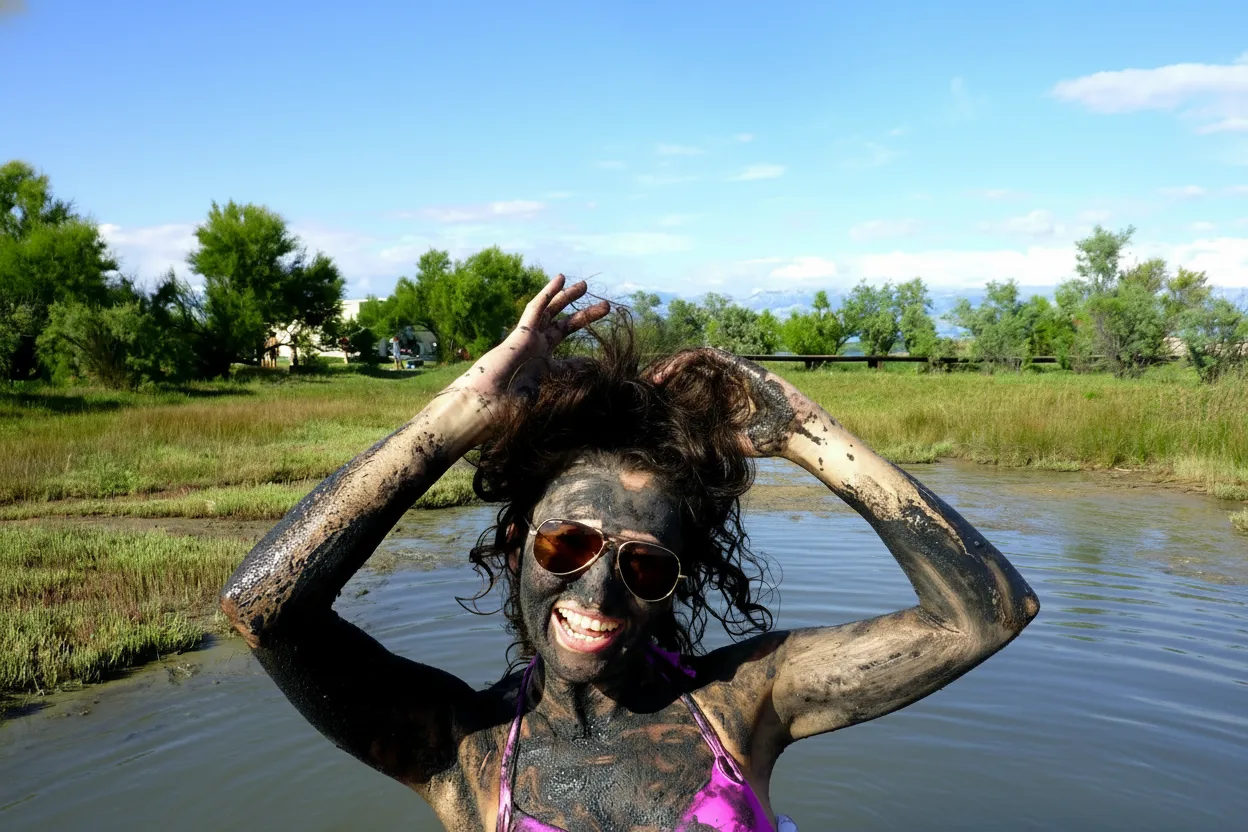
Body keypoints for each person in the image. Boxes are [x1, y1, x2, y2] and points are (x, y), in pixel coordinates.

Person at [221, 275, 1039, 832]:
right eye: (568, 543)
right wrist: (462, 412)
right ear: (517, 544)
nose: (598, 592)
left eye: (644, 564)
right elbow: (263, 609)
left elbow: (987, 615)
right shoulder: (462, 748)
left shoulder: (743, 705)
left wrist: (803, 432)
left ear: (677, 581)